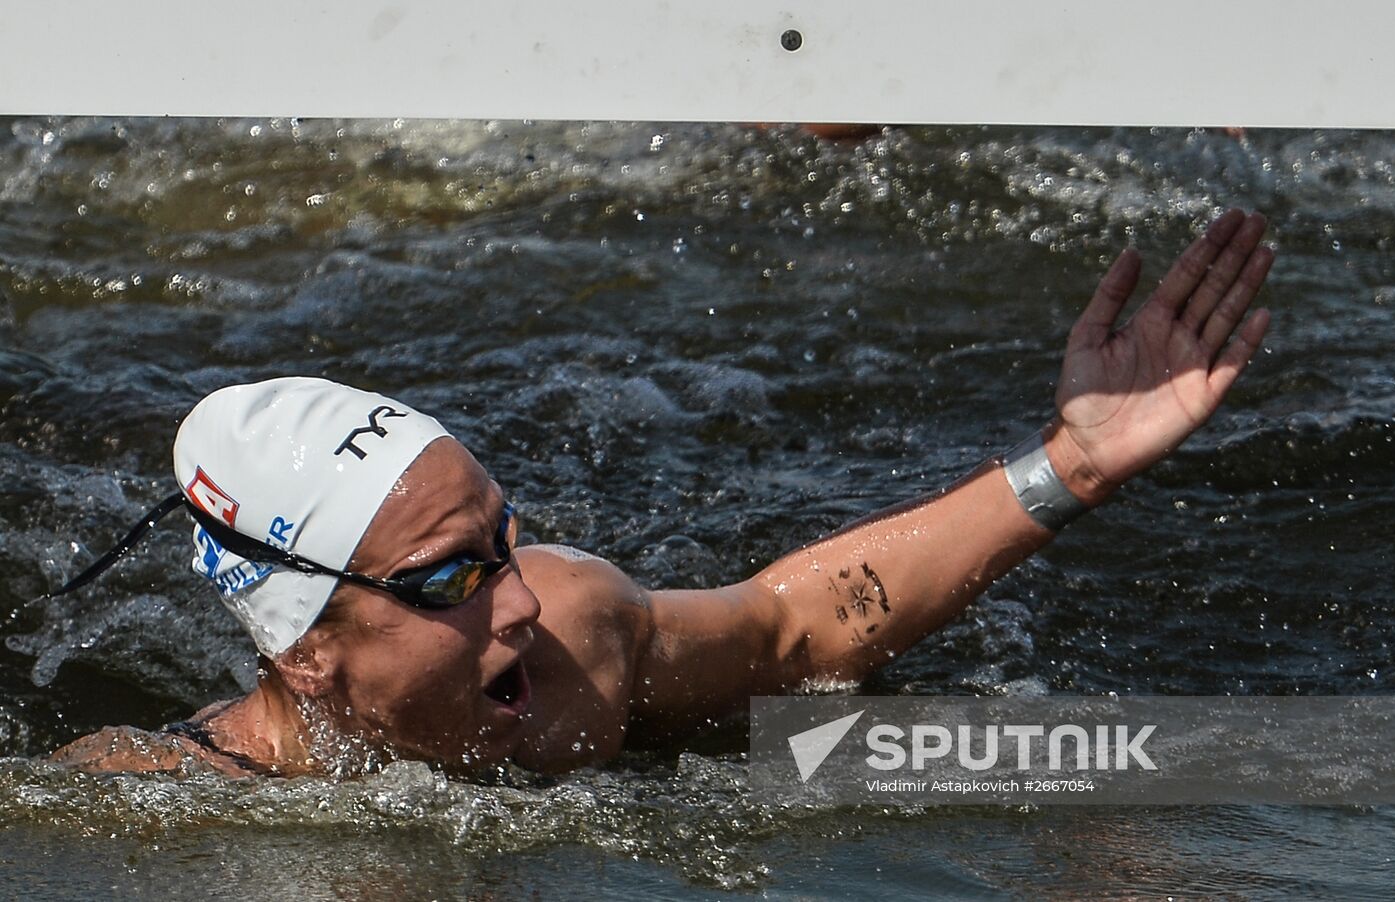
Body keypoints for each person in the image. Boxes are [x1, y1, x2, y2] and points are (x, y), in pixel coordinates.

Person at [46, 209, 1274, 778]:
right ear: (306, 647)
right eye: (451, 577)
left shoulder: (572, 649)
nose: (521, 598)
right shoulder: (160, 810)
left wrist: (1071, 465)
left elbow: (796, 626)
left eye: (503, 540)